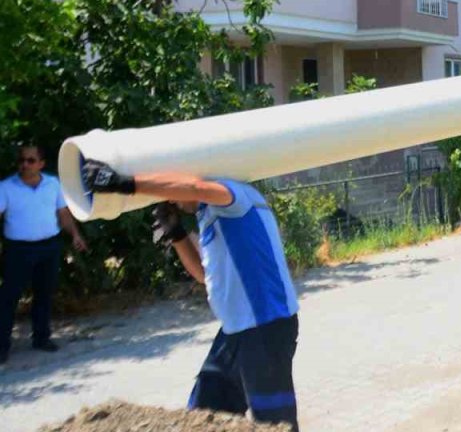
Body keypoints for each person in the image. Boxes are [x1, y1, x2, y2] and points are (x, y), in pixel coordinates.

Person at [80, 162, 300, 430]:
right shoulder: (210, 215)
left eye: (172, 188)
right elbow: (202, 275)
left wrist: (125, 183)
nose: (170, 198)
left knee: (274, 424)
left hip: (265, 328)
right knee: (203, 415)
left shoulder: (236, 195)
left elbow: (195, 187)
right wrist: (177, 234)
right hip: (236, 330)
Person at [0, 144, 88, 364]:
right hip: (18, 250)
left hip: (48, 246)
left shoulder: (53, 184)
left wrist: (75, 235)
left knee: (44, 294)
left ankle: (41, 338)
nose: (25, 165)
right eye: (22, 160)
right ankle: (2, 346)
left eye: (30, 160)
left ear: (41, 164)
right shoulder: (6, 187)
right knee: (8, 298)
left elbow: (63, 213)